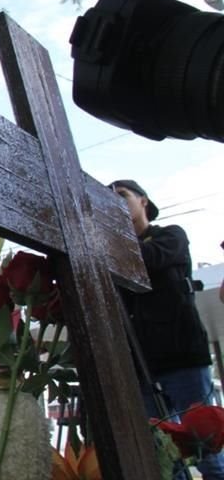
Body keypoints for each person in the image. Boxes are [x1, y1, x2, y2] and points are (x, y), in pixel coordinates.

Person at [110, 179, 224, 479]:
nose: (116, 201)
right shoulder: (114, 252)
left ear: (143, 201)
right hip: (144, 366)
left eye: (122, 195)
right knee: (164, 453)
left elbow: (147, 260)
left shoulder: (171, 236)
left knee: (205, 450)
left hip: (183, 358)